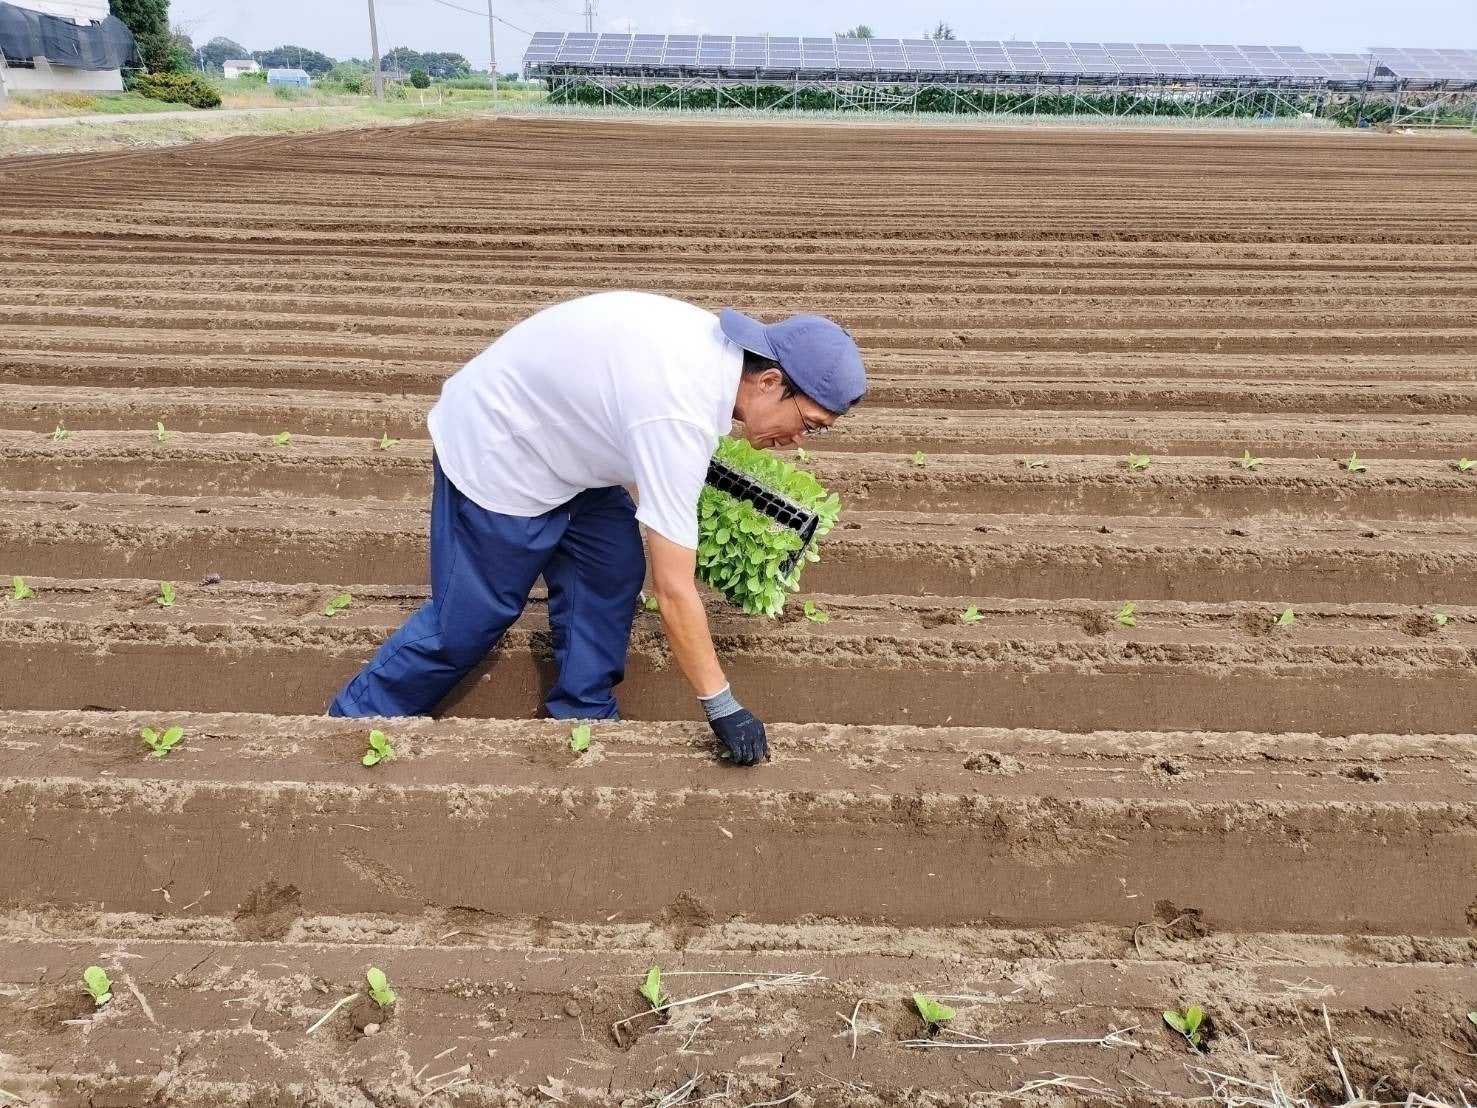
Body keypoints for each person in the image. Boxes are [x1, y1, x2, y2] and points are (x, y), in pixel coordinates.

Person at [327, 290, 867, 765]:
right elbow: (674, 590)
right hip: (501, 450)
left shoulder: (716, 362)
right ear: (770, 380)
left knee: (609, 566)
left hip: (568, 445)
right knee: (468, 623)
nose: (800, 440)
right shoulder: (679, 412)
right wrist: (722, 705)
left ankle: (581, 712)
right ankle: (349, 724)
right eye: (809, 424)